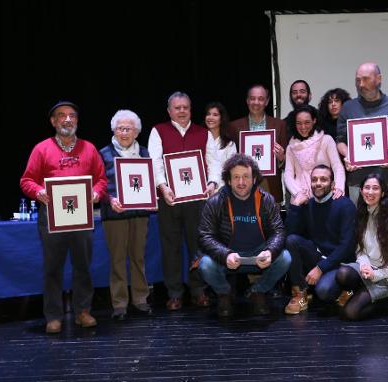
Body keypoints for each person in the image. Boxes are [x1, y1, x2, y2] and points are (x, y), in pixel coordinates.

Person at [20, 101, 107, 334]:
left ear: (77, 120)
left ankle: (82, 311)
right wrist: (38, 192)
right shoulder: (41, 149)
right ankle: (54, 316)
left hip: (82, 217)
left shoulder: (89, 149)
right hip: (51, 217)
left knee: (83, 267)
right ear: (53, 121)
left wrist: (97, 192)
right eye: (61, 116)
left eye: (72, 116)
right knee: (52, 268)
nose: (67, 120)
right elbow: (26, 180)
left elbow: (101, 179)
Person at [197, 154, 291, 317]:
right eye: (236, 177)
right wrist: (225, 254)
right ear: (228, 180)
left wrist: (269, 251)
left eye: (246, 176)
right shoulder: (215, 201)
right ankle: (225, 293)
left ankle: (257, 292)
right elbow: (205, 235)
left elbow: (278, 231)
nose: (241, 182)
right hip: (227, 256)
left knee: (285, 258)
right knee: (205, 264)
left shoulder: (266, 199)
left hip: (258, 255)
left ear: (254, 179)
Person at [148, 92, 217, 311]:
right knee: (171, 248)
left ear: (190, 109)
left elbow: (213, 162)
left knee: (198, 246)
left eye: (185, 107)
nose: (181, 111)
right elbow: (154, 162)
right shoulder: (158, 131)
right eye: (177, 108)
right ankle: (175, 293)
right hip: (169, 199)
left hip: (198, 200)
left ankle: (198, 291)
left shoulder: (203, 133)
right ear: (169, 111)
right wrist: (162, 187)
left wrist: (213, 184)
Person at [315, 173, 388, 320]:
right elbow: (360, 250)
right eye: (367, 188)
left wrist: (377, 274)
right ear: (361, 191)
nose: (370, 192)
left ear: (383, 193)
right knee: (343, 274)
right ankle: (370, 294)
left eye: (375, 188)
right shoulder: (361, 215)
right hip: (369, 271)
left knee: (349, 314)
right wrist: (365, 266)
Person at [99, 109, 152, 321]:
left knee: (138, 258)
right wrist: (109, 199)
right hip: (114, 215)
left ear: (137, 132)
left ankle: (140, 299)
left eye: (128, 128)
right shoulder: (102, 154)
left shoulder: (146, 153)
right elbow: (98, 186)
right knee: (117, 259)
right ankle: (119, 304)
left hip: (139, 214)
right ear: (114, 130)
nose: (124, 132)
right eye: (120, 128)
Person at [336, 62, 388, 208]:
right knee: (360, 227)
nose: (361, 84)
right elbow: (340, 141)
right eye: (358, 80)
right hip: (358, 181)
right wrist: (347, 154)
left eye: (365, 79)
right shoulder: (348, 108)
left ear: (379, 79)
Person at [284, 165, 356, 315]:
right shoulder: (308, 204)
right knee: (292, 240)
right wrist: (296, 206)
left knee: (323, 292)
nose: (318, 183)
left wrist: (320, 268)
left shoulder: (345, 205)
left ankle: (348, 288)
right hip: (318, 256)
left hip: (339, 262)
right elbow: (289, 235)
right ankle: (300, 293)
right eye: (314, 179)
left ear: (333, 184)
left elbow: (347, 246)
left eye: (324, 179)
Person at [229, 84, 288, 205]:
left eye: (261, 99)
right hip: (243, 186)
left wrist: (282, 158)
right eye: (252, 98)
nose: (256, 102)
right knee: (244, 223)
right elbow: (230, 159)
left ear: (267, 101)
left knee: (271, 224)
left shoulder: (279, 125)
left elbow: (288, 164)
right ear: (247, 100)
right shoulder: (234, 127)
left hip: (270, 186)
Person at [284, 106, 345, 202]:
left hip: (324, 194)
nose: (303, 127)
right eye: (299, 123)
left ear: (314, 120)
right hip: (301, 197)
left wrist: (339, 187)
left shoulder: (326, 140)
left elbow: (337, 166)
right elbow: (288, 174)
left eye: (307, 122)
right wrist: (298, 193)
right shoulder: (291, 147)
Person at [204, 102, 237, 189]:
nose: (210, 117)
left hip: (223, 189)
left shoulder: (230, 144)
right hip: (202, 189)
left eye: (215, 115)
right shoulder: (199, 139)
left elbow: (231, 169)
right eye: (208, 114)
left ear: (221, 118)